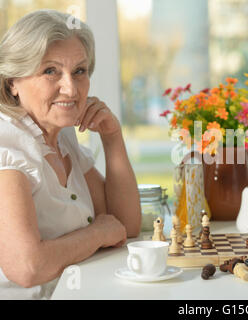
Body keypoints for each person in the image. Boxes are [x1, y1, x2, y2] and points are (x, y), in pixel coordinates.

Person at [0, 10, 141, 299]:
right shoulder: (7, 149)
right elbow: (26, 268)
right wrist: (98, 234)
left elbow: (125, 224)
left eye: (79, 71)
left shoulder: (62, 137)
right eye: (50, 71)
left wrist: (112, 137)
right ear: (12, 82)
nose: (71, 88)